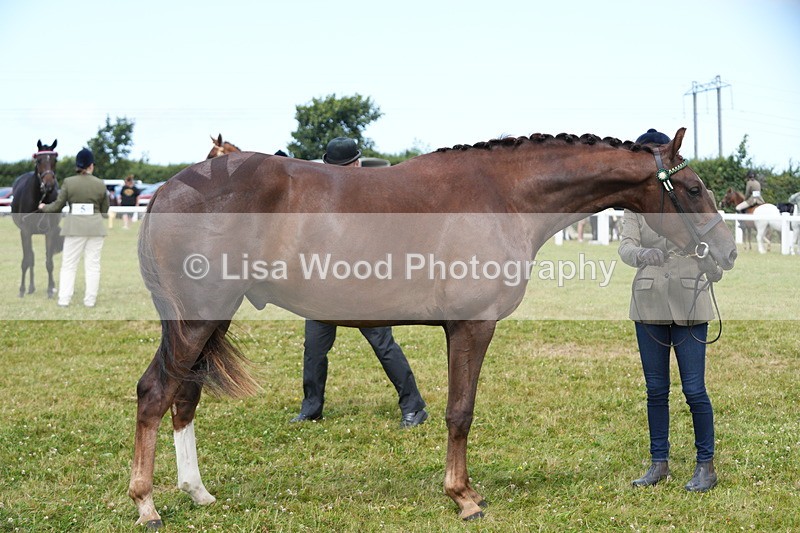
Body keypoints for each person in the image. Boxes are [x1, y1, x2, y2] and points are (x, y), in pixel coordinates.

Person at [291, 137, 428, 429]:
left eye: (344, 166)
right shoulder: (321, 196)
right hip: (323, 287)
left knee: (383, 345)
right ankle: (311, 408)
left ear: (356, 164)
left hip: (364, 288)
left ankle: (414, 407)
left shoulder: (374, 196)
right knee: (313, 349)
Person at [617, 128, 718, 492]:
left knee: (694, 389)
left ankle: (705, 465)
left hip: (691, 297)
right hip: (649, 302)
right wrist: (642, 253)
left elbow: (710, 231)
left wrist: (713, 263)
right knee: (656, 390)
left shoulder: (689, 192)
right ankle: (659, 463)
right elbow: (626, 247)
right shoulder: (634, 206)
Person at [40, 148, 109, 308]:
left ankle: (64, 299)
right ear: (91, 165)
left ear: (77, 166)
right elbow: (105, 211)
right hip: (95, 229)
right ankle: (90, 301)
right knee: (93, 265)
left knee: (69, 265)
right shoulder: (100, 184)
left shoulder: (69, 182)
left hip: (74, 229)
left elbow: (57, 206)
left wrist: (44, 207)